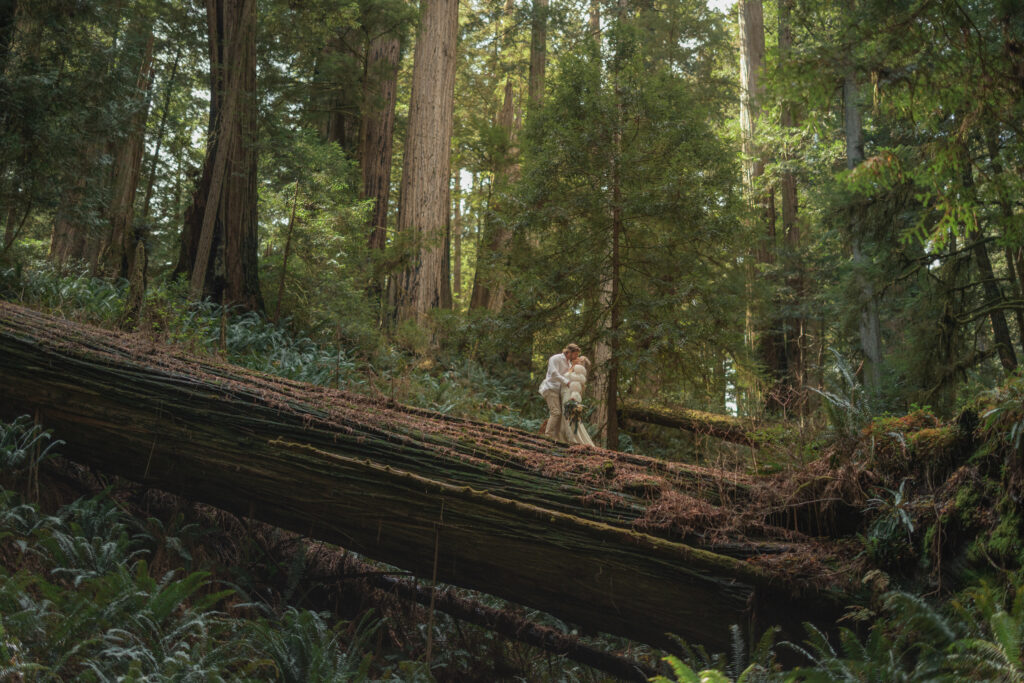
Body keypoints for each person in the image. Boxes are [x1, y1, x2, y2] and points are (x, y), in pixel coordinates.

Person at [539, 343, 580, 441]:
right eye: (575, 354)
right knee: (556, 412)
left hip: (558, 391)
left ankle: (555, 438)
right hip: (550, 388)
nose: (576, 357)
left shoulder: (569, 364)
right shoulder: (555, 358)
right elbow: (553, 373)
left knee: (560, 415)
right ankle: (548, 437)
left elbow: (568, 374)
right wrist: (567, 382)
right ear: (569, 352)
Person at [559, 356, 596, 447]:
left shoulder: (578, 369)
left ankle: (572, 439)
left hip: (569, 395)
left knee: (568, 417)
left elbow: (576, 386)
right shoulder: (573, 368)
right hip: (564, 393)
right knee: (565, 417)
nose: (575, 358)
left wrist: (573, 398)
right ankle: (564, 438)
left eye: (578, 358)